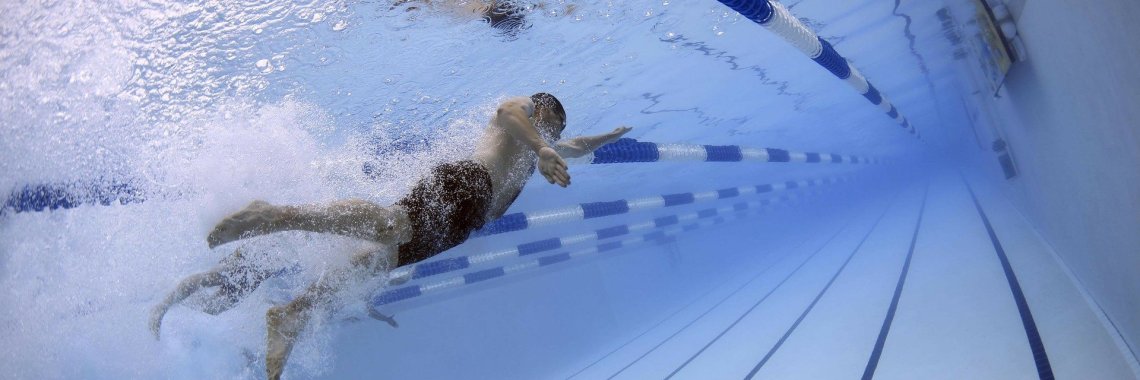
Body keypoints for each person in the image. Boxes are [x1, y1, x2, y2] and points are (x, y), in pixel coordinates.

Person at [204, 93, 631, 379]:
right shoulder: (524, 117)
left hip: (463, 223)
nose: (552, 136)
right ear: (540, 111)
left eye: (554, 132)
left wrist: (606, 137)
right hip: (468, 183)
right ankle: (274, 215)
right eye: (550, 125)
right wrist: (541, 147)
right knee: (390, 225)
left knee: (376, 262)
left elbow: (574, 145)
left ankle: (293, 312)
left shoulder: (543, 143)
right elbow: (507, 114)